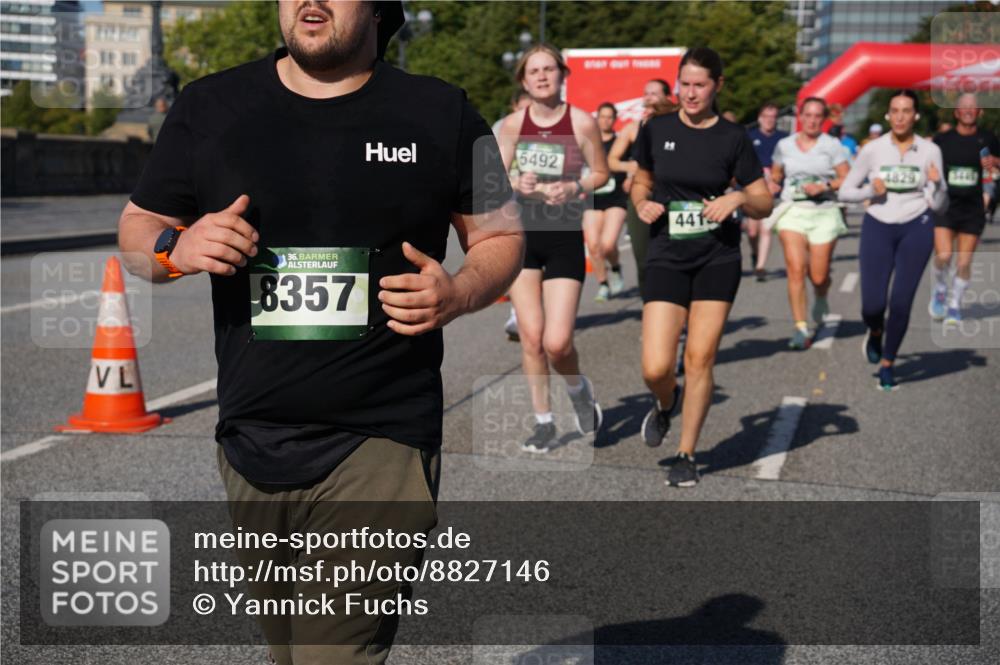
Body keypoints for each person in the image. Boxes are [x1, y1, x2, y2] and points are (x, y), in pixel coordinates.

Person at [117, 2, 522, 662]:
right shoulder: (210, 105)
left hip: (382, 438)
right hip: (250, 441)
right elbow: (137, 228)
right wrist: (175, 248)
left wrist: (461, 291)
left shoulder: (442, 111)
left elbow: (502, 235)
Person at [632, 47, 772, 487]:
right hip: (667, 254)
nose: (691, 93)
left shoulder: (733, 137)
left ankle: (686, 453)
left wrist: (738, 197)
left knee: (699, 357)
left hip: (717, 256)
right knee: (656, 367)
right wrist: (641, 202)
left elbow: (764, 201)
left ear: (718, 86)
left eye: (700, 85)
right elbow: (640, 180)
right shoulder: (656, 129)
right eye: (685, 84)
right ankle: (666, 402)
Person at [497, 44, 608, 453]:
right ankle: (543, 421)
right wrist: (516, 183)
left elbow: (601, 173)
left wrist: (575, 186)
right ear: (524, 81)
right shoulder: (513, 125)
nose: (542, 76)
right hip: (522, 236)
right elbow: (495, 177)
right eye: (534, 71)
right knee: (531, 337)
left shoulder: (581, 122)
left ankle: (579, 392)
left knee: (557, 342)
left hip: (563, 236)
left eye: (549, 69)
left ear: (562, 75)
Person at [839, 90, 946, 391]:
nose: (900, 117)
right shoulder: (872, 149)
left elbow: (941, 205)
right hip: (878, 224)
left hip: (917, 224)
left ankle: (888, 362)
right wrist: (870, 191)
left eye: (906, 111)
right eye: (895, 111)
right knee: (873, 305)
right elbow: (845, 191)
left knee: (901, 301)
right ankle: (875, 332)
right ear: (888, 115)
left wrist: (938, 184)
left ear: (916, 116)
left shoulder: (930, 150)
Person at [769, 97, 851, 349]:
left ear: (823, 119)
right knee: (795, 269)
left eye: (817, 116)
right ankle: (800, 328)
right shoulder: (784, 145)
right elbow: (776, 174)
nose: (812, 121)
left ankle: (821, 295)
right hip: (793, 210)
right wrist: (771, 183)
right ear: (800, 117)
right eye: (808, 115)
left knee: (818, 275)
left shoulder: (832, 145)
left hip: (824, 212)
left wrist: (824, 186)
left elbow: (846, 177)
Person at [931, 93, 999, 323]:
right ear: (956, 112)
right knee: (943, 255)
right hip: (946, 207)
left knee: (963, 261)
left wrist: (994, 163)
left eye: (973, 107)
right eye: (964, 107)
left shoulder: (988, 139)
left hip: (973, 209)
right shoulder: (943, 140)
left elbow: (996, 166)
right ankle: (941, 288)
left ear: (980, 112)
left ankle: (954, 305)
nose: (969, 110)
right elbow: (928, 165)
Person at [608, 78, 673, 296]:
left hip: (672, 196)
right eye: (646, 93)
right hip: (641, 195)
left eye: (654, 93)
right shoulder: (633, 128)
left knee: (674, 257)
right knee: (644, 259)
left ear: (667, 97)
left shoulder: (677, 125)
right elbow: (612, 160)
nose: (649, 97)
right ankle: (650, 304)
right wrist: (633, 168)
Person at [494, 89, 533, 341]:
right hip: (512, 204)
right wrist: (514, 183)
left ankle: (533, 311)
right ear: (514, 106)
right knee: (518, 257)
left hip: (545, 208)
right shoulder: (502, 127)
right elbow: (492, 167)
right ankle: (516, 314)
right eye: (523, 108)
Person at [586, 102, 628, 301]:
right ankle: (603, 284)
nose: (605, 121)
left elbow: (633, 164)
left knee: (608, 244)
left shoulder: (621, 143)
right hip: (592, 198)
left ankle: (616, 268)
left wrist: (630, 178)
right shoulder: (588, 143)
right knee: (593, 245)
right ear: (597, 119)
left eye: (609, 117)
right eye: (602, 117)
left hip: (616, 197)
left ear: (615, 119)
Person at [745, 101, 788, 281]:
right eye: (766, 117)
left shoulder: (783, 139)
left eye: (773, 117)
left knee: (766, 228)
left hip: (774, 190)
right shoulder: (749, 137)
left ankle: (761, 267)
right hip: (753, 189)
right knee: (752, 232)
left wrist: (777, 180)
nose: (769, 120)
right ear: (759, 118)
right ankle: (755, 254)